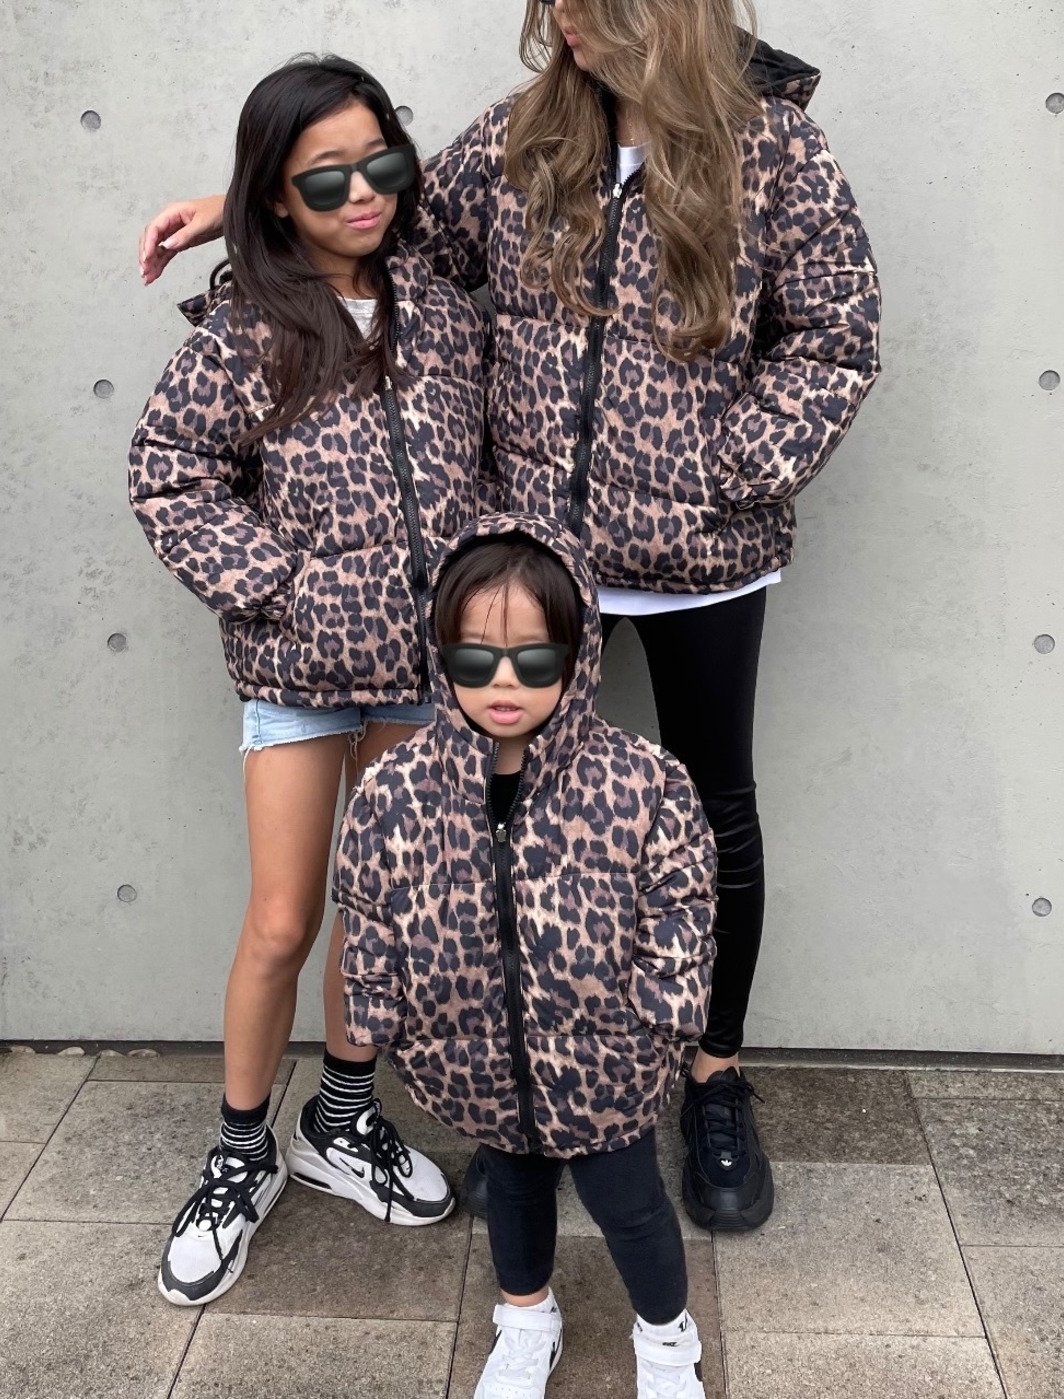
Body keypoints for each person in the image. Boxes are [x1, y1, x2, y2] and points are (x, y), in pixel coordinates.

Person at [138, 0, 881, 1231]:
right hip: (538, 565)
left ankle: (712, 1079)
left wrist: (727, 465)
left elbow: (833, 338)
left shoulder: (774, 149)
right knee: (520, 831)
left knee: (712, 816)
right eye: (557, 7)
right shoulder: (525, 135)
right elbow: (386, 215)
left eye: (592, 4)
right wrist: (239, 203)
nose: (568, 25)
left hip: (701, 557)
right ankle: (530, 1096)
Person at [127, 54, 490, 1306]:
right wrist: (282, 587)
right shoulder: (249, 327)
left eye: (378, 162)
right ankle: (241, 1153)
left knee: (373, 907)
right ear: (277, 195)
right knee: (283, 918)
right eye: (323, 179)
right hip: (297, 668)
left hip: (422, 671)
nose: (361, 194)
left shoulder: (442, 308)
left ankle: (341, 1120)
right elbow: (169, 474)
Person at [335, 513, 718, 1398]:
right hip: (470, 1054)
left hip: (606, 1059)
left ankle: (667, 1337)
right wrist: (378, 1010)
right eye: (475, 659)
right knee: (510, 1193)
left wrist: (665, 1019)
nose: (502, 681)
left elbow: (682, 904)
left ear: (577, 657)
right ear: (442, 658)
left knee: (631, 1205)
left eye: (533, 659)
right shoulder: (398, 788)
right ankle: (525, 1318)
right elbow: (367, 903)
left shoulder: (640, 781)